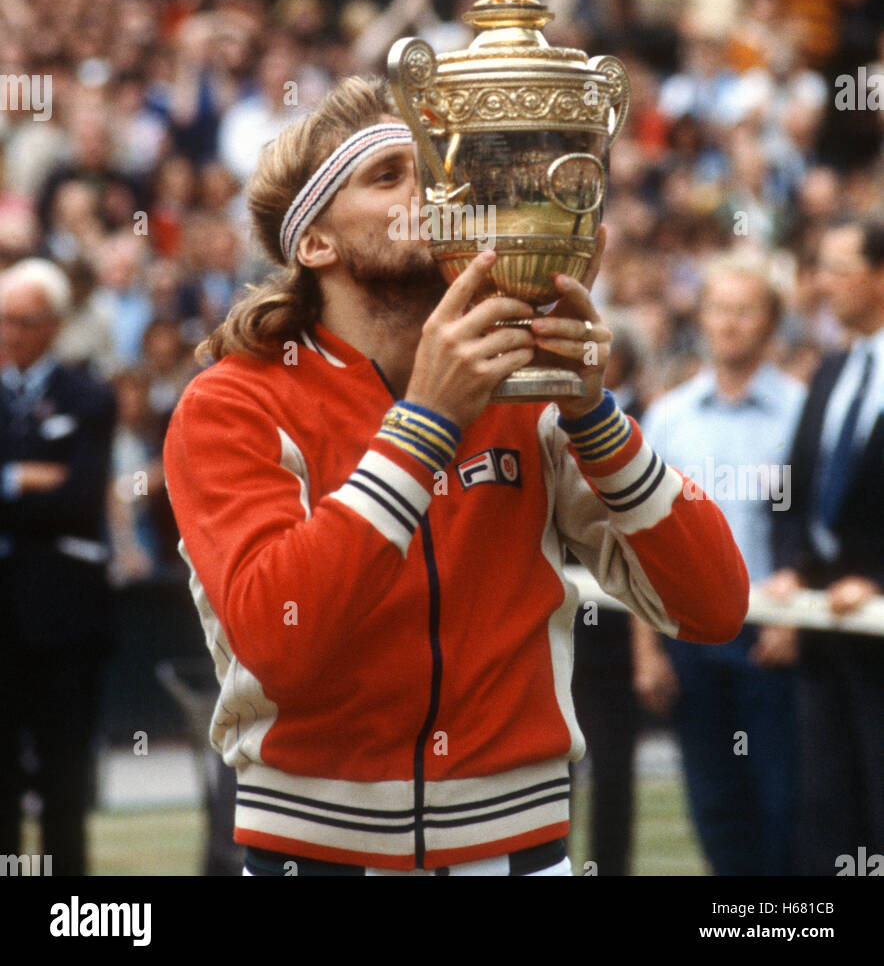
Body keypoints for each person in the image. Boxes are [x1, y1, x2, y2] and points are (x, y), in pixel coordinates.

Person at [163, 76, 749, 877]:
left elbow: (714, 605)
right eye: (388, 176)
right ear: (315, 243)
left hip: (522, 846)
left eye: (435, 174)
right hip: (315, 851)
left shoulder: (523, 387)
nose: (432, 194)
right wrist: (423, 428)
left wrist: (597, 418)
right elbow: (280, 639)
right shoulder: (231, 403)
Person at [636, 255, 807, 876]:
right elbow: (641, 543)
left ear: (771, 323)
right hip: (688, 641)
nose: (729, 324)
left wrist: (795, 619)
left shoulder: (800, 411)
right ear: (700, 317)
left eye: (745, 310)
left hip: (772, 643)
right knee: (714, 808)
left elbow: (813, 530)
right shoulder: (668, 418)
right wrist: (647, 651)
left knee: (785, 806)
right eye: (719, 309)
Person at [771, 218, 884, 877]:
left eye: (838, 269)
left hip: (874, 628)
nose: (822, 286)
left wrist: (876, 579)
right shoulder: (834, 368)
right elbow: (796, 486)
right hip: (825, 633)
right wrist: (792, 568)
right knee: (829, 817)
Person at [0, 258, 117, 876]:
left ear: (53, 325)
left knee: (63, 784)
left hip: (64, 622)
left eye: (22, 322)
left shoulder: (87, 396)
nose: (9, 334)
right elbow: (54, 498)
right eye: (3, 321)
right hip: (6, 621)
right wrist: (20, 477)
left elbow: (78, 501)